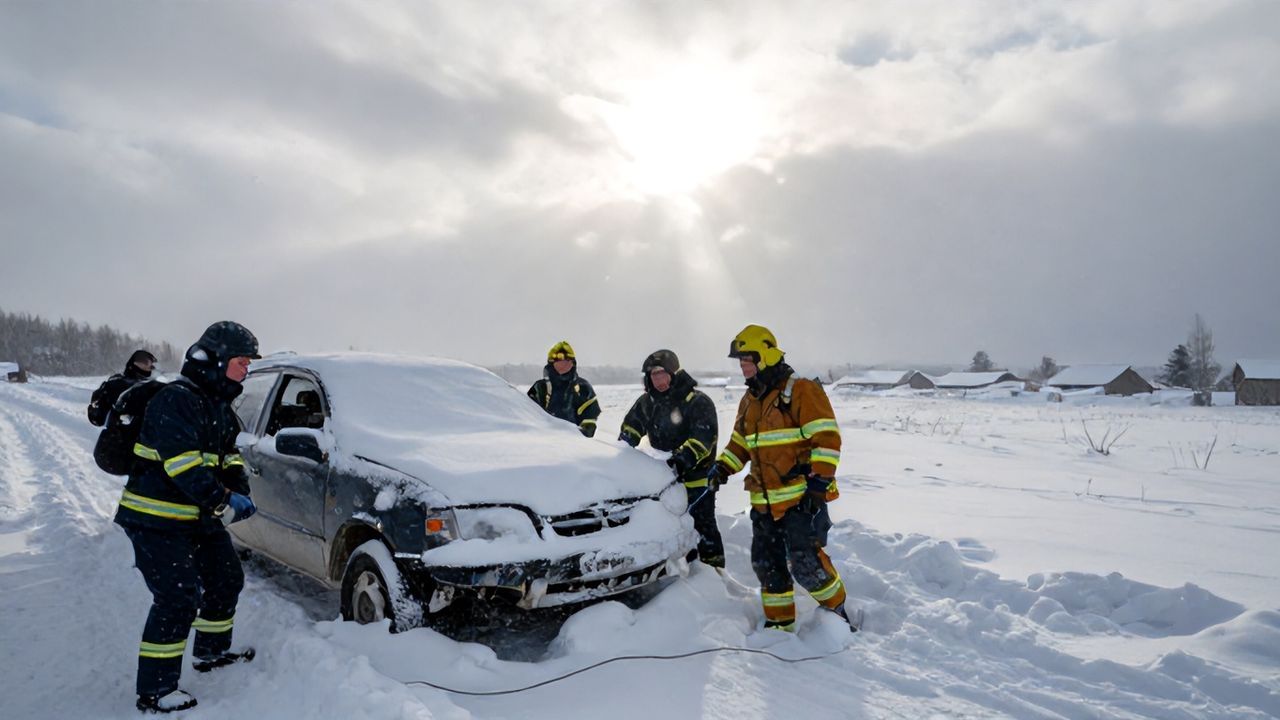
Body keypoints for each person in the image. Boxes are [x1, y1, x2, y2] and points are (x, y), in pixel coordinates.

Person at [114, 322, 261, 713]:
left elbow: (228, 455)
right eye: (241, 362)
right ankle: (156, 691)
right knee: (178, 598)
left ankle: (210, 653)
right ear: (215, 360)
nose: (245, 370)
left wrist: (238, 485)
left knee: (226, 580)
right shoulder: (175, 400)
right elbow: (183, 468)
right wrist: (223, 500)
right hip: (155, 519)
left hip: (196, 518)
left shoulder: (218, 405)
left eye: (247, 363)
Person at [710, 324, 853, 631]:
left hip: (799, 499)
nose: (743, 366)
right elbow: (740, 444)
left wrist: (819, 485)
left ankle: (838, 611)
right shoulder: (749, 401)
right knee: (767, 566)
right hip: (762, 504)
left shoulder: (800, 390)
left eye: (748, 359)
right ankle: (780, 627)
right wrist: (722, 469)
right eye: (740, 361)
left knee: (806, 565)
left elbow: (827, 439)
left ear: (766, 355)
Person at [619, 349, 725, 568]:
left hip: (697, 482)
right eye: (653, 375)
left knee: (702, 528)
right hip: (662, 483)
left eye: (662, 373)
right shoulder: (646, 403)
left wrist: (680, 461)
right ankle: (673, 573)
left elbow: (703, 440)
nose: (658, 379)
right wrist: (619, 456)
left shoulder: (697, 402)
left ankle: (713, 573)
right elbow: (629, 432)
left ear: (674, 373)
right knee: (666, 531)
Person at [527, 341, 601, 437]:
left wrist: (585, 432)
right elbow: (527, 414)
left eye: (567, 361)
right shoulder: (540, 387)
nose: (563, 365)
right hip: (542, 440)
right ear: (551, 363)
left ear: (573, 363)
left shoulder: (583, 387)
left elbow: (590, 415)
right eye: (559, 362)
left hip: (573, 444)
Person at [87, 349, 158, 427]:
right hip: (121, 431)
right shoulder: (117, 382)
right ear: (133, 362)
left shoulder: (153, 384)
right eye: (143, 362)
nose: (145, 365)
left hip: (149, 432)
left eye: (148, 363)